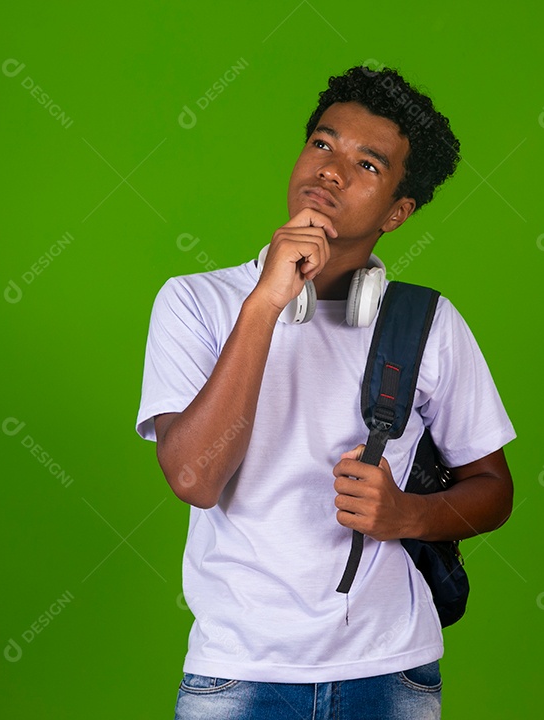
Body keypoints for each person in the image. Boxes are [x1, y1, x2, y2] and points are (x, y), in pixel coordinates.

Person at [136, 65, 516, 719]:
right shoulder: (196, 302)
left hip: (389, 670)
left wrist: (408, 517)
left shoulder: (425, 323)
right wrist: (265, 305)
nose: (331, 172)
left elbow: (494, 488)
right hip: (237, 672)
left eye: (367, 165)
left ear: (399, 211)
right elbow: (195, 476)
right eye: (322, 144)